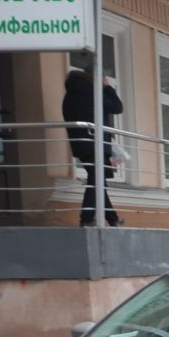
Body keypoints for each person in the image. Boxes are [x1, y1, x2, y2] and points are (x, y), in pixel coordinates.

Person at [61, 69, 122, 227]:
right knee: (97, 180)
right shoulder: (93, 91)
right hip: (96, 142)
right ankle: (86, 218)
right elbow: (117, 107)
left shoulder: (69, 96)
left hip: (80, 144)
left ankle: (113, 218)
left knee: (97, 179)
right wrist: (107, 87)